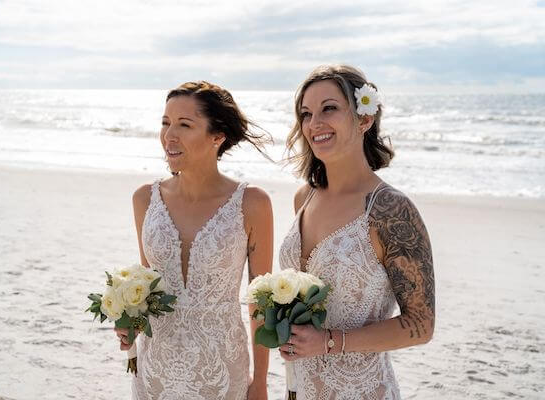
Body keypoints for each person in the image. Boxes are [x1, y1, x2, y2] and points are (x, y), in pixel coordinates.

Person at [278, 65, 435, 399]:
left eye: (329, 108)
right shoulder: (304, 198)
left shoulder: (390, 209)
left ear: (365, 119)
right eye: (306, 114)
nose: (314, 124)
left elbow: (421, 324)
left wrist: (329, 342)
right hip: (300, 388)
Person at [115, 81, 273, 400]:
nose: (169, 136)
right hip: (156, 368)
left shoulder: (252, 204)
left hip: (223, 371)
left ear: (217, 136)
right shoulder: (145, 199)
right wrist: (129, 321)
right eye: (165, 123)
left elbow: (261, 303)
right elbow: (148, 289)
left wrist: (260, 383)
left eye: (184, 125)